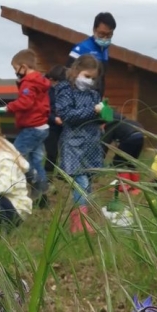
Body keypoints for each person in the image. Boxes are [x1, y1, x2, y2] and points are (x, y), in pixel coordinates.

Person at [56, 55, 106, 233]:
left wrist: (104, 114)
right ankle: (79, 223)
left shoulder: (94, 94)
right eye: (87, 76)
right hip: (74, 144)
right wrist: (92, 111)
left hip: (91, 143)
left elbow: (97, 117)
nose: (90, 81)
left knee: (88, 181)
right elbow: (66, 115)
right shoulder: (65, 90)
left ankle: (84, 217)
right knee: (81, 182)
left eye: (93, 78)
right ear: (76, 71)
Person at [0, 50, 51, 206]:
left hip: (32, 128)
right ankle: (42, 191)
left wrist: (7, 108)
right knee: (35, 160)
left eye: (16, 69)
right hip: (41, 127)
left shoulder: (29, 82)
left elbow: (26, 103)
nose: (15, 72)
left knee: (15, 157)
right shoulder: (40, 81)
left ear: (24, 67)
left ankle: (14, 188)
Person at [67, 13, 116, 98]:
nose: (105, 38)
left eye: (109, 35)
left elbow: (101, 78)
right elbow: (67, 75)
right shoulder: (81, 49)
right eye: (102, 34)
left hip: (96, 99)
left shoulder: (105, 50)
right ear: (94, 30)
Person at [103, 114, 145, 195]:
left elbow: (105, 143)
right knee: (132, 162)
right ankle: (136, 187)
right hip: (140, 137)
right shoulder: (124, 121)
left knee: (118, 162)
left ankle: (123, 186)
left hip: (129, 138)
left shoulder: (110, 125)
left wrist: (102, 157)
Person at [44, 65, 69, 182]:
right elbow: (44, 110)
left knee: (67, 150)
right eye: (54, 80)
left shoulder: (67, 90)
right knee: (52, 152)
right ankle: (48, 176)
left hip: (65, 125)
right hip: (51, 125)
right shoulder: (46, 91)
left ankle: (64, 174)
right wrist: (54, 118)